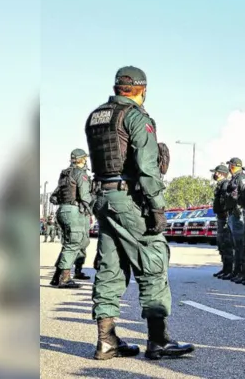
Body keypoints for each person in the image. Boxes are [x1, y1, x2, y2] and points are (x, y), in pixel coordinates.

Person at [85, 66, 193, 360]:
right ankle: (158, 341)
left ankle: (106, 341)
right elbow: (147, 168)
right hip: (129, 198)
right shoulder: (135, 116)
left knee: (110, 267)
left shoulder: (97, 116)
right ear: (142, 90)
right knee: (153, 262)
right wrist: (158, 207)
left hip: (104, 198)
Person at [48, 149, 94, 289]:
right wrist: (92, 208)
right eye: (85, 158)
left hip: (63, 210)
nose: (86, 160)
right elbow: (86, 197)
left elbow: (53, 197)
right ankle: (65, 278)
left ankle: (57, 276)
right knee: (73, 244)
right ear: (81, 160)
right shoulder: (81, 174)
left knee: (69, 244)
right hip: (74, 212)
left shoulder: (64, 174)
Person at [225, 158, 245, 284]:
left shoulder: (241, 178)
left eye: (230, 165)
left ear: (234, 166)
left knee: (240, 244)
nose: (228, 167)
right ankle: (236, 270)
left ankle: (242, 271)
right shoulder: (234, 178)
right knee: (235, 244)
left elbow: (243, 196)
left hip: (238, 213)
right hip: (232, 213)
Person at [211, 164, 234, 280]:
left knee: (226, 243)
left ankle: (229, 269)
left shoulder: (225, 184)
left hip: (224, 217)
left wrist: (225, 213)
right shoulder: (220, 185)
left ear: (220, 173)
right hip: (220, 217)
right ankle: (225, 267)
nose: (214, 175)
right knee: (221, 244)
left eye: (216, 172)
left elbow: (225, 201)